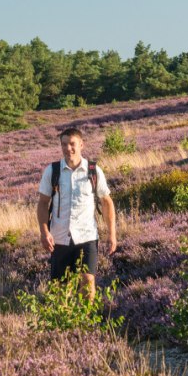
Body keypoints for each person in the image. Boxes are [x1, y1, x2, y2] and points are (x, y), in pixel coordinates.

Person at [36, 127, 116, 300]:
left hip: (87, 236)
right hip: (59, 237)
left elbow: (107, 202)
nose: (68, 148)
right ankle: (64, 323)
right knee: (59, 287)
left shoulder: (93, 171)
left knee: (88, 281)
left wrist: (112, 234)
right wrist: (44, 232)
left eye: (72, 144)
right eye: (64, 144)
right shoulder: (52, 171)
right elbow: (43, 203)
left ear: (81, 145)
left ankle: (86, 320)